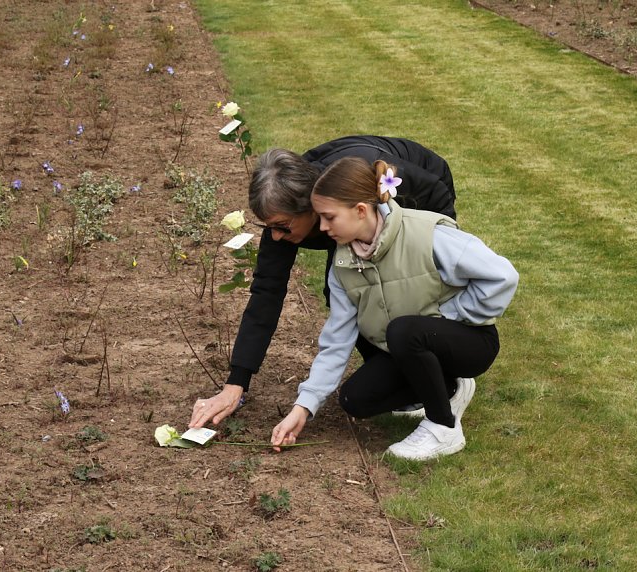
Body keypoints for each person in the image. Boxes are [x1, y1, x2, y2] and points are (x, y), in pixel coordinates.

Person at [190, 136, 458, 429]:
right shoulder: (285, 216)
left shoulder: (359, 189)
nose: (275, 236)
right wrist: (236, 383)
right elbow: (266, 294)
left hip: (421, 188)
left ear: (311, 208)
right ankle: (400, 372)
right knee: (346, 292)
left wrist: (437, 247)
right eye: (269, 228)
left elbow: (436, 190)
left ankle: (446, 366)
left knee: (403, 285)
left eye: (282, 227)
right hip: (347, 214)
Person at [270, 157, 518, 460]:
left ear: (360, 210)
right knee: (355, 401)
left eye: (328, 217)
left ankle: (444, 428)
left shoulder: (426, 234)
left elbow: (502, 276)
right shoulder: (343, 265)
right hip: (410, 345)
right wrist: (304, 406)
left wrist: (451, 315)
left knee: (403, 329)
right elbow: (337, 340)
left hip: (470, 343)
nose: (321, 227)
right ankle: (450, 389)